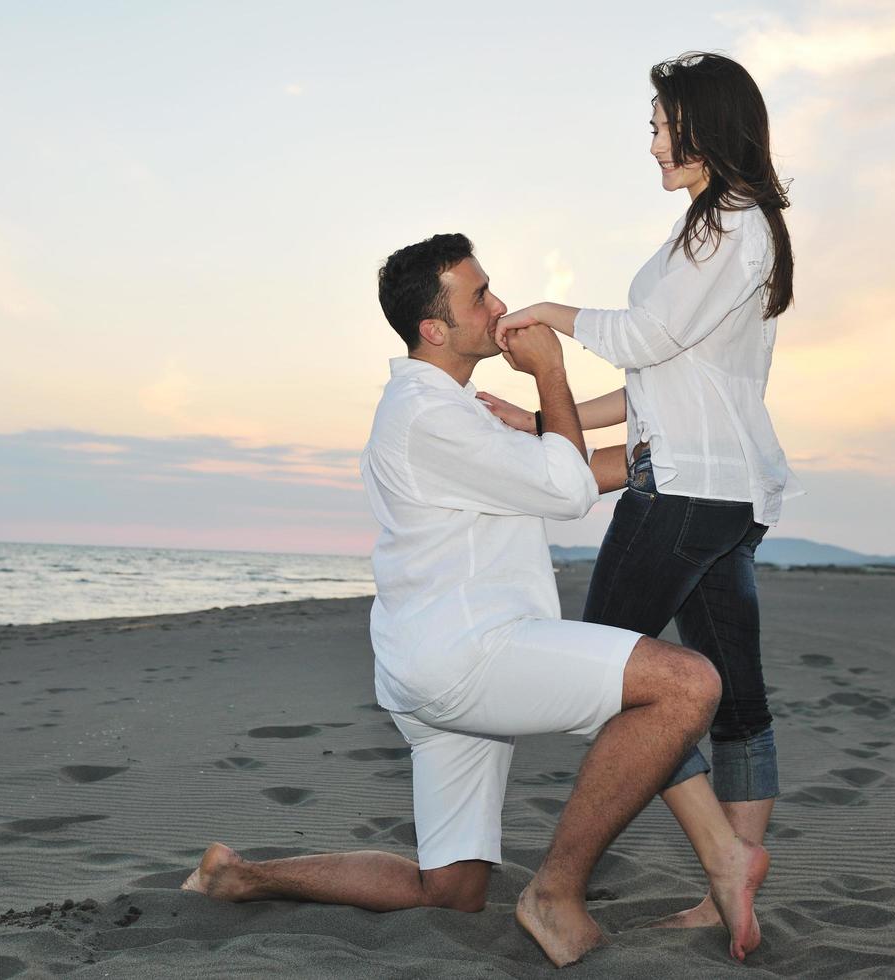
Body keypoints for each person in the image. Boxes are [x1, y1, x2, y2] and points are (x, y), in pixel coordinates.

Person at [183, 233, 767, 967]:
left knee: (450, 888)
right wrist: (550, 373)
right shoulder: (431, 416)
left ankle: (240, 876)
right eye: (479, 296)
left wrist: (690, 456)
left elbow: (573, 470)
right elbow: (564, 488)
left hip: (428, 666)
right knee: (686, 685)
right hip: (470, 655)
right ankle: (555, 891)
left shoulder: (448, 410)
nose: (498, 306)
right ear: (435, 328)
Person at [480, 51, 800, 945]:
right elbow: (664, 386)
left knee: (610, 678)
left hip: (690, 496)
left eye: (661, 122)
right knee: (733, 700)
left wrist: (552, 315)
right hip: (715, 490)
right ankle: (729, 880)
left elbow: (649, 337)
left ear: (703, 123)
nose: (652, 140)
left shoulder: (734, 226)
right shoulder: (716, 228)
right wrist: (543, 417)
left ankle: (725, 861)